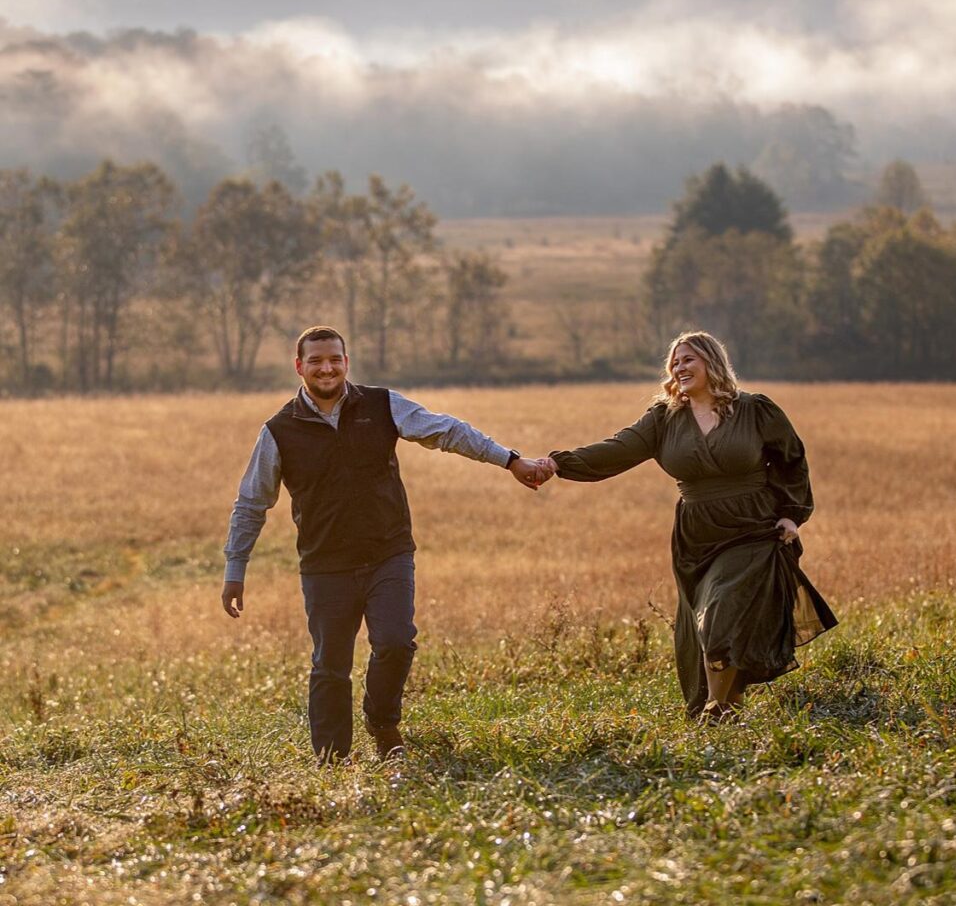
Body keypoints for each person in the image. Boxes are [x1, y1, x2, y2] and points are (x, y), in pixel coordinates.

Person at [221, 325, 548, 763]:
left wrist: (509, 459)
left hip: (388, 553)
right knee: (330, 665)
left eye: (335, 358)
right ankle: (333, 760)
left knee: (395, 641)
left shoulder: (382, 405)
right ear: (299, 367)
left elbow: (446, 430)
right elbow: (250, 504)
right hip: (326, 565)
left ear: (346, 363)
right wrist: (234, 569)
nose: (326, 368)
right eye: (316, 360)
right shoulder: (280, 431)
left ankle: (382, 724)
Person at [535, 331, 836, 720]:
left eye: (688, 359)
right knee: (699, 626)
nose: (679, 367)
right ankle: (726, 709)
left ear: (712, 362)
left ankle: (716, 708)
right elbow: (618, 449)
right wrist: (560, 463)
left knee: (720, 611)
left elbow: (792, 461)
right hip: (697, 537)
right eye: (674, 362)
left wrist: (791, 514)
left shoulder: (755, 410)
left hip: (754, 528)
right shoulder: (664, 419)